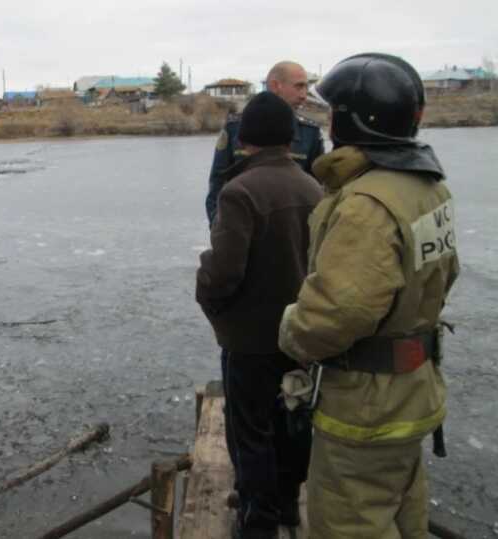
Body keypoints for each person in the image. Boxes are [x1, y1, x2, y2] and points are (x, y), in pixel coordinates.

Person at [278, 53, 460, 539]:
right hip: (414, 392)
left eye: (333, 110)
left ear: (353, 120)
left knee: (349, 524)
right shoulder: (426, 187)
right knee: (405, 515)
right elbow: (444, 275)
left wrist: (292, 329)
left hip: (366, 409)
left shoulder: (365, 204)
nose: (328, 119)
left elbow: (337, 313)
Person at [196, 91, 323, 539]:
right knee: (292, 422)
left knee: (249, 431)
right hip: (300, 335)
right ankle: (288, 502)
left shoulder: (239, 191)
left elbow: (224, 272)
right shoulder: (315, 188)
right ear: (290, 139)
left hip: (249, 339)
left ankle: (258, 520)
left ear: (244, 138)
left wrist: (206, 292)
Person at [205, 61, 324, 226]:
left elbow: (319, 190)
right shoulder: (236, 128)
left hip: (293, 236)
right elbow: (217, 185)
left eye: (306, 88)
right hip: (241, 232)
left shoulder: (309, 132)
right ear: (276, 85)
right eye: (299, 87)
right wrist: (220, 232)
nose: (304, 95)